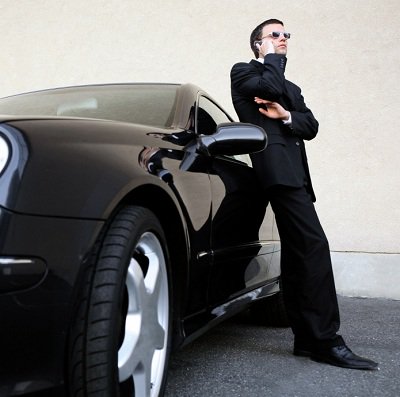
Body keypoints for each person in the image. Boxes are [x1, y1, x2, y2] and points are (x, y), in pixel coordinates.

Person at [230, 18, 378, 370]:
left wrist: (284, 115)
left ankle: (306, 340)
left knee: (298, 257)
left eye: (286, 36)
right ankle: (326, 340)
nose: (283, 40)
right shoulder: (243, 71)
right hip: (276, 173)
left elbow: (310, 125)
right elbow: (265, 89)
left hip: (295, 176)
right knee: (314, 247)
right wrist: (271, 60)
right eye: (274, 35)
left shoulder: (290, 86)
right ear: (257, 44)